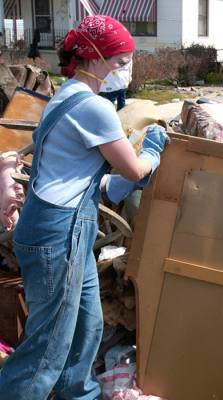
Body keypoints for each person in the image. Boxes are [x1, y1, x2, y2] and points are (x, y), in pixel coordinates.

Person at [0, 15, 169, 399]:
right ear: (94, 59)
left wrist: (136, 173)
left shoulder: (65, 96)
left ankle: (80, 394)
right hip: (58, 235)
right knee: (47, 349)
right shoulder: (92, 108)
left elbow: (104, 182)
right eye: (119, 62)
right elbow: (135, 168)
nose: (122, 71)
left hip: (66, 229)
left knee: (85, 328)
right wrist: (154, 149)